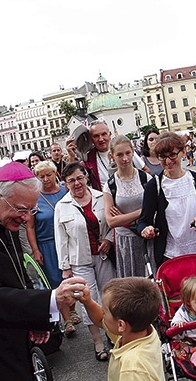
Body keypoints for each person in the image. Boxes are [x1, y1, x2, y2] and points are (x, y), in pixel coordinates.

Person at [0, 161, 88, 380]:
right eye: (22, 209)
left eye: (32, 209)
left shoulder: (5, 218)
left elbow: (18, 274)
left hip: (10, 337)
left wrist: (35, 319)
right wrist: (50, 300)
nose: (27, 218)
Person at [54, 161, 116, 361]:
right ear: (65, 184)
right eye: (71, 180)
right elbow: (61, 239)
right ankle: (98, 341)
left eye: (80, 178)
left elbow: (114, 223)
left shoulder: (101, 196)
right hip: (79, 260)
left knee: (109, 297)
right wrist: (65, 268)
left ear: (86, 177)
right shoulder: (61, 206)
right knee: (88, 299)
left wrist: (109, 239)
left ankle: (112, 335)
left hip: (104, 256)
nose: (77, 183)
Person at [137, 132, 196, 267]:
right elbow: (143, 222)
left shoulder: (195, 180)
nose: (168, 161)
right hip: (169, 255)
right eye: (163, 157)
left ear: (183, 152)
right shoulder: (155, 186)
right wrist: (146, 230)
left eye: (172, 155)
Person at [26, 160, 80, 336]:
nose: (45, 179)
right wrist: (35, 250)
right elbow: (30, 227)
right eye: (41, 176)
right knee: (55, 282)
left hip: (67, 241)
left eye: (48, 174)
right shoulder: (35, 197)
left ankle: (72, 309)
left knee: (70, 278)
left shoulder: (66, 191)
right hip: (47, 244)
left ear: (56, 174)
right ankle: (67, 319)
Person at [79, 277, 165, 381]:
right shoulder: (142, 331)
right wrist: (88, 302)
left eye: (105, 311)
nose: (101, 312)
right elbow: (100, 319)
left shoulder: (132, 369)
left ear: (121, 325)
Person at [103, 136, 152, 277]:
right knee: (132, 282)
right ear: (112, 156)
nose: (124, 158)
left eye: (127, 153)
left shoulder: (145, 179)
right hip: (125, 240)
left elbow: (154, 210)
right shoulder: (110, 185)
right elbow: (111, 221)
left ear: (133, 152)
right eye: (119, 155)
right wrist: (141, 212)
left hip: (146, 236)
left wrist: (123, 218)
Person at [66, 120, 146, 191]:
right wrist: (71, 157)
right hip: (106, 202)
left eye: (104, 134)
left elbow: (145, 171)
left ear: (110, 134)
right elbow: (75, 180)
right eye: (96, 136)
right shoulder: (89, 158)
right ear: (91, 139)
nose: (101, 139)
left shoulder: (124, 148)